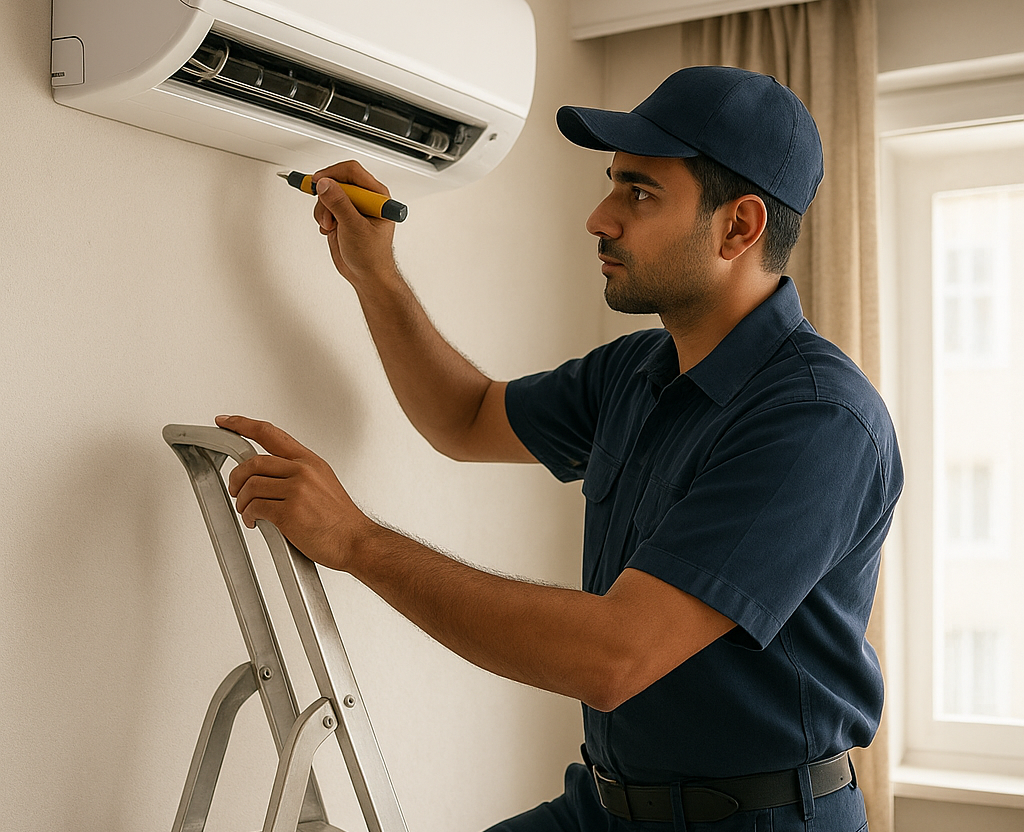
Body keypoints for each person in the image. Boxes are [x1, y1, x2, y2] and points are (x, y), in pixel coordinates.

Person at [218, 66, 902, 832]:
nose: (599, 217)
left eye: (639, 193)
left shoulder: (816, 420)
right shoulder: (638, 370)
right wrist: (375, 274)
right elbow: (466, 415)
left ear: (738, 227)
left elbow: (612, 656)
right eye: (613, 184)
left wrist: (356, 540)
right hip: (609, 806)